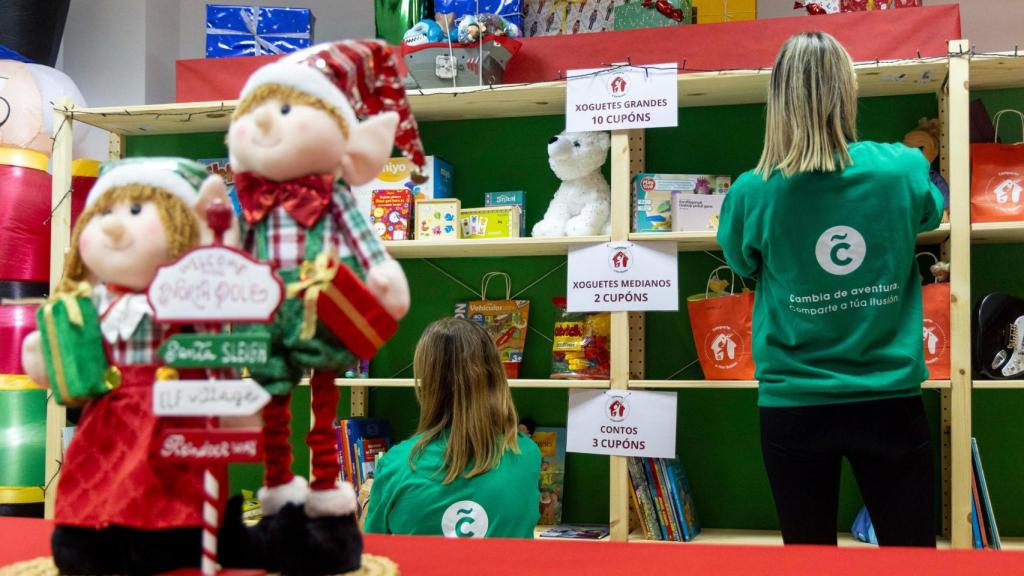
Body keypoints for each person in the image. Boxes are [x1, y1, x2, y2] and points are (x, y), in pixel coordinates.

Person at [717, 31, 944, 547]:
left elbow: (742, 261)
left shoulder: (752, 191)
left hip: (792, 402)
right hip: (889, 398)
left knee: (808, 556)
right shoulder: (904, 167)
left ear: (778, 98)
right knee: (913, 556)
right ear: (848, 91)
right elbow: (930, 211)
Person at [364, 318, 541, 538]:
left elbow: (372, 553)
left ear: (428, 382)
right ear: (495, 376)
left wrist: (368, 502)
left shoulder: (396, 465)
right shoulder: (527, 454)